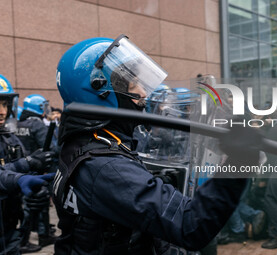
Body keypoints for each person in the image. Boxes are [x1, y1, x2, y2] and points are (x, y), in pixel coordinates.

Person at [53, 35, 262, 254]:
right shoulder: (105, 166)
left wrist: (154, 183)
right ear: (99, 90)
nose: (143, 93)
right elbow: (190, 226)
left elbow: (109, 205)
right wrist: (238, 162)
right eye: (131, 83)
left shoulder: (82, 145)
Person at [0, 74, 55, 254]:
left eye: (4, 104)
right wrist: (22, 171)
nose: (2, 111)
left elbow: (12, 170)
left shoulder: (9, 137)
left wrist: (32, 188)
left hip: (9, 229)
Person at [16, 94, 57, 249]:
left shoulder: (18, 123)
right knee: (39, 204)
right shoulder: (37, 124)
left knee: (25, 206)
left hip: (20, 169)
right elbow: (51, 149)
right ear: (39, 108)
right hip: (37, 171)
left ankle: (25, 238)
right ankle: (41, 236)